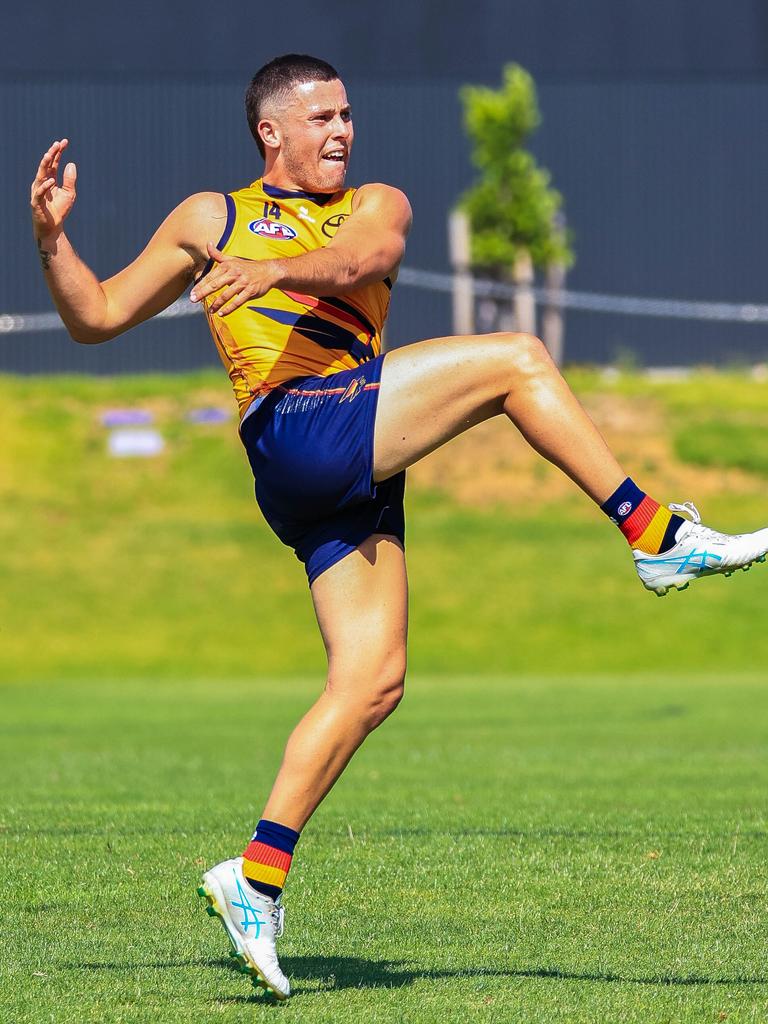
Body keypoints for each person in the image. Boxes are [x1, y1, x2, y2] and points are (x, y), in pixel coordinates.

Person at [30, 53, 768, 1001]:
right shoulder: (209, 218)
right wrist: (52, 241)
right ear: (272, 133)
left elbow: (363, 260)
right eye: (324, 118)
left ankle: (254, 879)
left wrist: (275, 270)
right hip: (298, 431)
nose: (343, 131)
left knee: (373, 681)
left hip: (350, 449)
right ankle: (654, 531)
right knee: (515, 358)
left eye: (348, 115)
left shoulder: (377, 200)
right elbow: (93, 318)